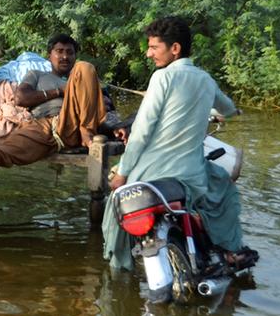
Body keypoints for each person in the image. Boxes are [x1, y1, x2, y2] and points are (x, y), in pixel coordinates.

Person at [102, 16, 254, 271]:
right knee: (226, 190)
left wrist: (124, 172)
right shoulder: (205, 80)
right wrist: (232, 112)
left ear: (175, 48)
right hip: (191, 175)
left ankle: (119, 268)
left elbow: (141, 131)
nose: (149, 54)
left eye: (154, 47)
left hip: (152, 171)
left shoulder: (162, 78)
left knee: (115, 191)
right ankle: (229, 250)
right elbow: (226, 108)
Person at [0, 33, 115, 176]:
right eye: (59, 51)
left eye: (70, 52)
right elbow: (21, 98)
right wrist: (59, 91)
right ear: (49, 55)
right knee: (7, 151)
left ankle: (87, 134)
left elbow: (104, 109)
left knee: (85, 66)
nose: (65, 56)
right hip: (42, 126)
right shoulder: (37, 75)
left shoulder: (80, 77)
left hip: (73, 122)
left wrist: (115, 127)